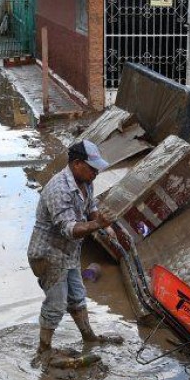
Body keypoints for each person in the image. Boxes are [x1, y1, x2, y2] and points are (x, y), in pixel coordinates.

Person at [27, 140, 118, 354]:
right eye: (92, 168)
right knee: (57, 304)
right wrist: (97, 225)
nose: (95, 174)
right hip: (49, 254)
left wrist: (106, 227)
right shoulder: (58, 188)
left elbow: (91, 207)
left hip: (68, 253)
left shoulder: (86, 182)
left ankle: (89, 337)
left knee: (77, 295)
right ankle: (44, 349)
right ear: (77, 164)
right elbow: (68, 229)